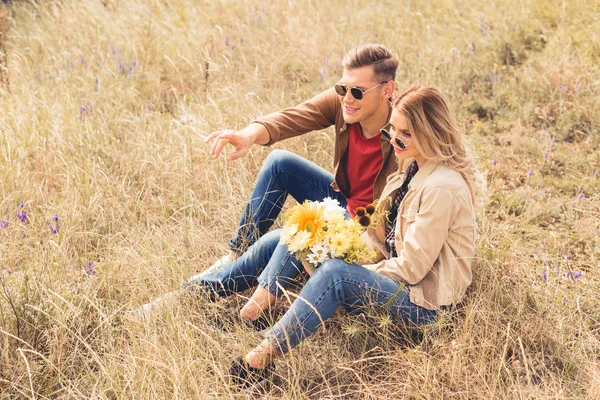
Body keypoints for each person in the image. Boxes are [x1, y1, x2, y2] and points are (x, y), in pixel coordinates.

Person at [227, 85, 485, 388]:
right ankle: (245, 307)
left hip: (426, 307)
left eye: (407, 134)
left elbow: (413, 268)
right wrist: (333, 249)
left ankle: (260, 357)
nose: (395, 140)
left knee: (335, 275)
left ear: (431, 133)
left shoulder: (441, 187)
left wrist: (346, 270)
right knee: (310, 226)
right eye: (394, 131)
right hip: (399, 283)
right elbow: (380, 239)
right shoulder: (413, 168)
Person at [139, 44, 400, 321]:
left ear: (387, 90)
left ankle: (240, 307)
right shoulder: (344, 105)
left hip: (368, 228)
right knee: (280, 163)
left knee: (282, 239)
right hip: (342, 203)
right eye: (342, 88)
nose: (347, 98)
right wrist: (248, 135)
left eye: (357, 91)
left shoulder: (404, 135)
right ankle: (232, 258)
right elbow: (294, 117)